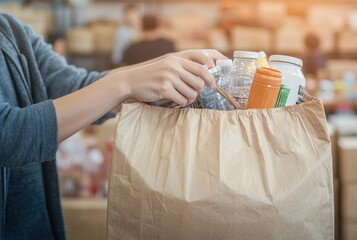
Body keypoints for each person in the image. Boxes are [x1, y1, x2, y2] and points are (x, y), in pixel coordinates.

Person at [0, 13, 226, 239]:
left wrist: (167, 65)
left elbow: (77, 87)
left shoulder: (10, 30)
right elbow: (9, 133)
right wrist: (125, 84)